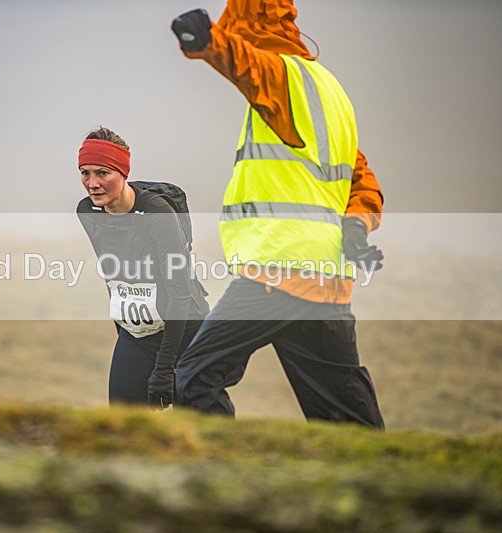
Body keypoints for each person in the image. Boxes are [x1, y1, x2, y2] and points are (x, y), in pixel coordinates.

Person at [170, 0, 385, 427]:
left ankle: (226, 482)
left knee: (194, 380)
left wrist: (210, 41)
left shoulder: (284, 78)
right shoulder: (329, 90)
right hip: (327, 280)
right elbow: (361, 179)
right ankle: (389, 486)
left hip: (277, 272)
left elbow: (249, 66)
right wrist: (357, 229)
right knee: (344, 418)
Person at [76, 127, 210, 409]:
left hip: (184, 328)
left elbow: (180, 292)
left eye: (103, 173)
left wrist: (165, 367)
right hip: (137, 335)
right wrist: (123, 325)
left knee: (202, 426)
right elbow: (115, 279)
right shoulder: (87, 212)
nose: (92, 183)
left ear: (122, 173)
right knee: (125, 423)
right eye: (85, 173)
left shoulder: (157, 213)